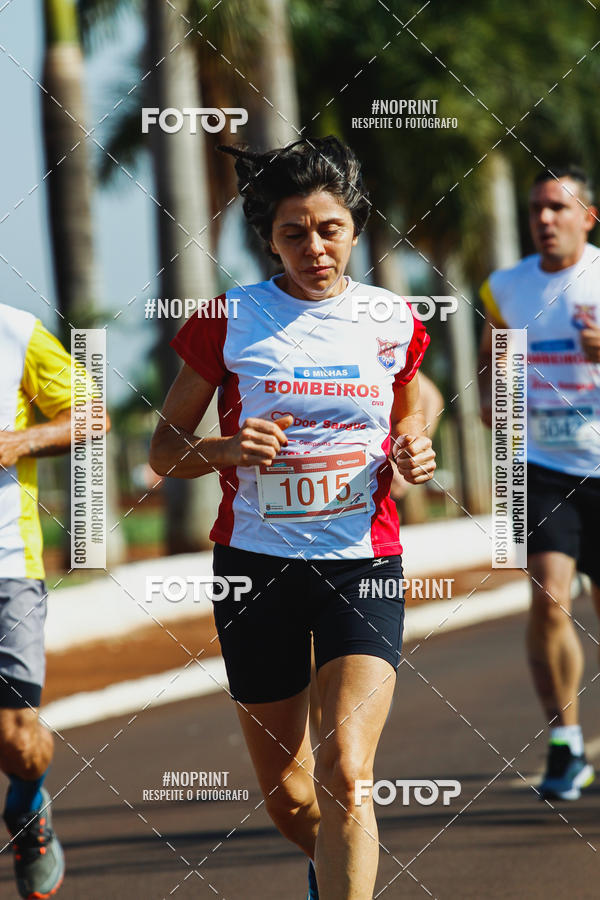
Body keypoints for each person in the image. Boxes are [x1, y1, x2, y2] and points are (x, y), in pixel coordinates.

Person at [150, 136, 436, 900]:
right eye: (293, 233)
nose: (314, 247)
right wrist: (226, 448)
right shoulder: (229, 319)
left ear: (355, 226)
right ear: (269, 239)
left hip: (363, 565)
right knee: (291, 795)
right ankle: (334, 864)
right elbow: (163, 450)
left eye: (329, 228)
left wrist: (415, 439)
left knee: (348, 771)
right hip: (254, 570)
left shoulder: (390, 319)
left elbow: (418, 398)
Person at [478, 164, 600, 801]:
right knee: (550, 598)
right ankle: (565, 745)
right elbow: (489, 385)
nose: (545, 219)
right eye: (536, 209)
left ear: (588, 216)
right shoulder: (506, 287)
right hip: (544, 468)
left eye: (558, 207)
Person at [0, 303, 107, 898]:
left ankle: (25, 804)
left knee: (17, 737)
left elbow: (93, 414)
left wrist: (24, 438)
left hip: (6, 564)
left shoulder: (13, 330)